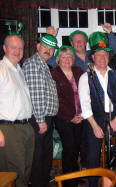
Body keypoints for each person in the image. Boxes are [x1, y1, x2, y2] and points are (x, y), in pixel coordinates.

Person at [78, 31, 116, 187]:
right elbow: (85, 104)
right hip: (94, 118)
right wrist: (95, 126)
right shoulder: (85, 77)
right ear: (93, 57)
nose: (103, 58)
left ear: (109, 57)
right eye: (99, 55)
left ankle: (111, 160)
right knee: (93, 154)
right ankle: (94, 183)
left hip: (115, 115)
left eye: (105, 55)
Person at [22, 34, 59, 187]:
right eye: (45, 47)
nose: (48, 51)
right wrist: (40, 120)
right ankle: (38, 183)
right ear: (38, 46)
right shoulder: (33, 64)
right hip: (39, 118)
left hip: (46, 118)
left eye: (51, 49)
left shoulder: (43, 65)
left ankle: (43, 182)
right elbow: (36, 94)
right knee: (38, 157)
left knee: (45, 155)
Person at [0, 34, 34, 187]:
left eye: (20, 48)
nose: (18, 51)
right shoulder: (1, 68)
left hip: (26, 126)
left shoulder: (18, 70)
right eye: (14, 47)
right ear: (5, 48)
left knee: (26, 170)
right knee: (14, 171)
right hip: (8, 128)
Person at [51, 46, 84, 187]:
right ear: (58, 60)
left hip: (81, 115)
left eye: (69, 56)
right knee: (69, 146)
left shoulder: (79, 71)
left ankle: (74, 175)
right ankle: (68, 180)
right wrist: (71, 116)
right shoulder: (54, 74)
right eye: (63, 57)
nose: (67, 59)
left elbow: (85, 93)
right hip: (63, 117)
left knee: (77, 147)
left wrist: (83, 113)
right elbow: (57, 99)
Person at [47, 23, 116, 71]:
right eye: (76, 41)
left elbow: (113, 49)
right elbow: (49, 60)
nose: (79, 42)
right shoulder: (68, 58)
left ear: (85, 43)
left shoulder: (94, 54)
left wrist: (110, 33)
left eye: (81, 40)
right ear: (72, 43)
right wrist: (50, 38)